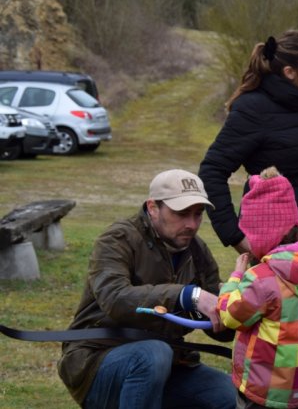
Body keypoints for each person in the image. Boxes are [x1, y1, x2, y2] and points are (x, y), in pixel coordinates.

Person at [199, 29, 298, 408]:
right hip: (277, 247)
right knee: (278, 338)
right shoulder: (253, 108)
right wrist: (234, 234)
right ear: (289, 72)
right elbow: (212, 170)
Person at [57, 169, 236, 409]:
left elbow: (221, 333)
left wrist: (237, 305)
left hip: (170, 364)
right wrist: (186, 295)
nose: (192, 224)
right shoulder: (117, 239)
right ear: (153, 207)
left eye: (198, 214)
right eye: (182, 213)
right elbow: (115, 299)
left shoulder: (196, 250)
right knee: (153, 354)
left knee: (230, 395)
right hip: (97, 362)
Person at [216, 167, 298, 409]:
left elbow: (230, 316)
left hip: (261, 392)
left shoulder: (262, 278)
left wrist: (235, 278)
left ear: (262, 234)